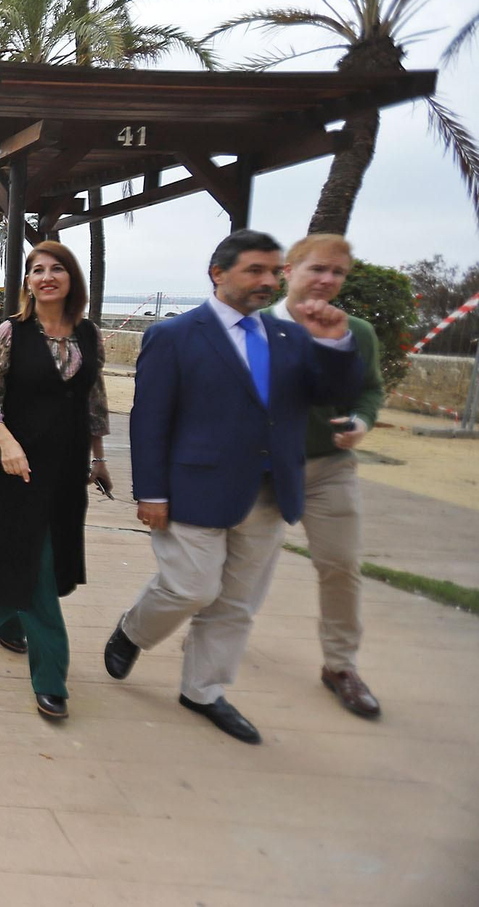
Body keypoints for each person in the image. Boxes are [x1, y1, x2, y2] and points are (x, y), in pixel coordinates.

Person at [105, 229, 361, 744]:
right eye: (255, 271)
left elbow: (332, 395)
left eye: (273, 271)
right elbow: (150, 418)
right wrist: (149, 492)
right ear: (218, 274)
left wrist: (335, 343)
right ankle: (134, 629)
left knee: (237, 603)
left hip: (269, 492)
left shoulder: (292, 336)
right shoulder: (174, 335)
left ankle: (203, 690)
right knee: (191, 588)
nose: (268, 281)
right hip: (193, 490)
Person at [0, 242, 111, 720]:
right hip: (18, 465)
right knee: (40, 567)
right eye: (36, 269)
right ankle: (52, 677)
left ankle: (0, 613)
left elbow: (93, 401)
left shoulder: (90, 335)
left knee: (46, 554)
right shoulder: (13, 331)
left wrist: (99, 458)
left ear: (72, 279)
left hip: (68, 468)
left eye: (56, 269)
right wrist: (6, 443)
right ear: (27, 281)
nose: (46, 276)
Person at [267, 234, 384, 718]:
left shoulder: (356, 331)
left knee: (340, 566)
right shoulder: (254, 328)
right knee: (234, 567)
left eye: (338, 273)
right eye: (318, 269)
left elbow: (370, 392)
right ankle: (210, 638)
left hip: (329, 469)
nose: (327, 280)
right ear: (288, 271)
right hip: (263, 469)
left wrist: (360, 423)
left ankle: (341, 665)